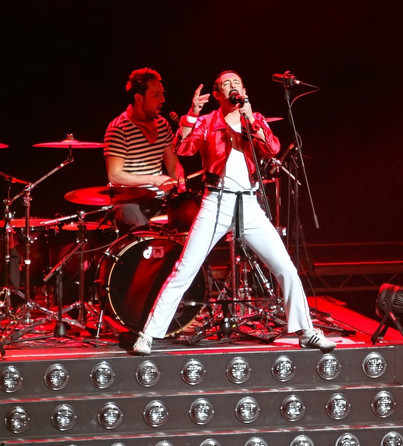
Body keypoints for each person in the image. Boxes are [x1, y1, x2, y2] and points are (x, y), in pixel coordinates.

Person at [130, 70, 335, 354]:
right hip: (216, 202)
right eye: (226, 83)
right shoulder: (207, 122)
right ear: (217, 94)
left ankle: (306, 331)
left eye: (236, 82)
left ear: (244, 91)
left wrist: (251, 120)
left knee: (285, 267)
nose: (232, 85)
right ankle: (149, 334)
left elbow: (272, 149)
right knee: (185, 269)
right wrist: (192, 114)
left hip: (249, 203)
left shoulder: (254, 118)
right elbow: (184, 148)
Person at [103, 67, 187, 233]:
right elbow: (115, 175)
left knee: (190, 217)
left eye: (162, 94)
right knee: (142, 229)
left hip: (158, 199)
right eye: (156, 95)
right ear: (139, 98)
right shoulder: (119, 129)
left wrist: (181, 183)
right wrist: (153, 180)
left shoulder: (162, 124)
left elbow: (173, 166)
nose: (163, 99)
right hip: (127, 201)